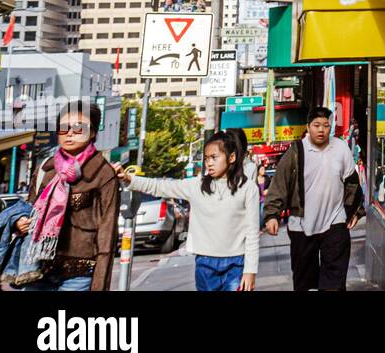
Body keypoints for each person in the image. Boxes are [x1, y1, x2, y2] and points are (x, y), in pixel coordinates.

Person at [113, 131, 260, 291]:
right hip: (205, 263)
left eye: (214, 157)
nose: (209, 163)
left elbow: (252, 233)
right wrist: (129, 179)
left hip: (236, 263)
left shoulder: (248, 188)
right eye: (206, 158)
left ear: (231, 158)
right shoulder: (197, 186)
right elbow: (160, 186)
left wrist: (250, 271)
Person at [14, 100, 118, 291]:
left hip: (78, 275)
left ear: (93, 132)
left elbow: (107, 233)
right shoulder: (46, 169)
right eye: (64, 128)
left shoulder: (103, 174)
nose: (70, 133)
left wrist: (99, 286)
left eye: (79, 128)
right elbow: (29, 208)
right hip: (38, 268)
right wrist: (19, 223)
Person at [263, 106, 364, 291]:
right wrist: (272, 215)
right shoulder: (296, 151)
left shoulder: (340, 148)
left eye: (326, 125)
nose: (321, 130)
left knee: (334, 282)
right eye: (316, 125)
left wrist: (355, 210)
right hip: (301, 226)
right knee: (304, 283)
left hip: (335, 221)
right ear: (308, 127)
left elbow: (352, 183)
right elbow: (280, 184)